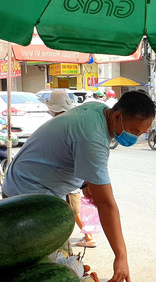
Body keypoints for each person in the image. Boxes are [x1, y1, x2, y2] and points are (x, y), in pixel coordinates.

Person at [2, 90, 156, 282]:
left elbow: (69, 148)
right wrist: (121, 256)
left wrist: (84, 182)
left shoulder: (98, 110)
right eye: (135, 131)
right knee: (53, 271)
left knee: (56, 263)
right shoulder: (92, 137)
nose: (136, 138)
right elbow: (106, 204)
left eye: (142, 134)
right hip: (27, 193)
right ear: (117, 116)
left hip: (29, 184)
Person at [44, 89, 97, 248]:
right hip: (72, 178)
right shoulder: (72, 123)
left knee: (73, 210)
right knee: (73, 210)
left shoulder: (55, 126)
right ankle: (84, 237)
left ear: (52, 109)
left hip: (65, 179)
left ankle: (88, 237)